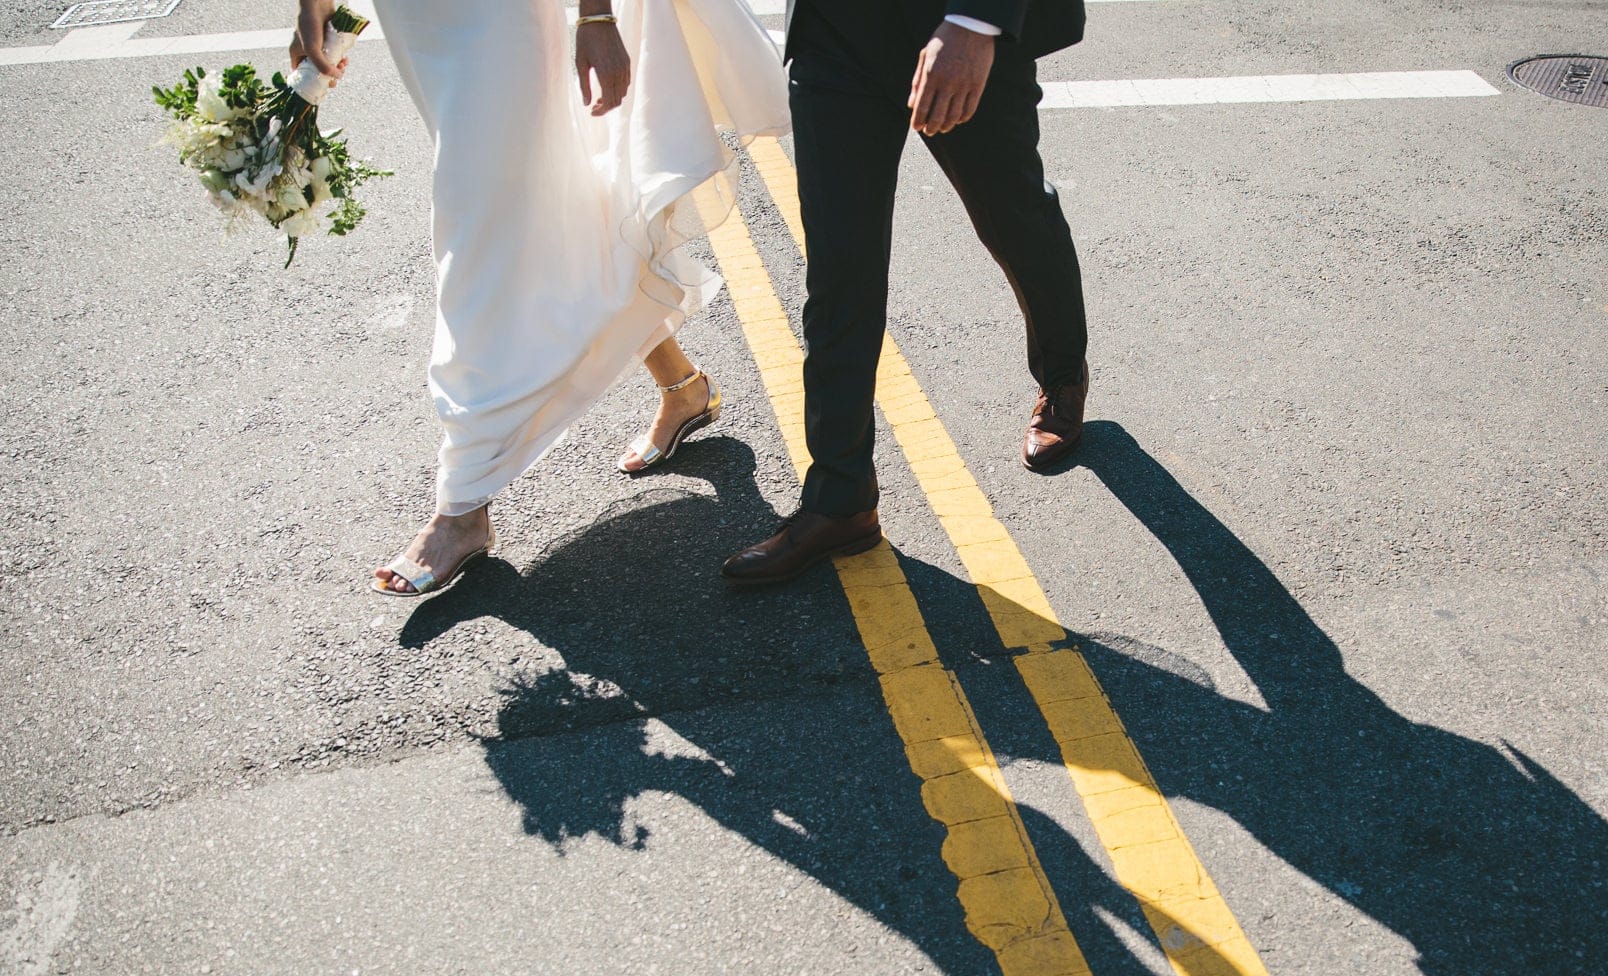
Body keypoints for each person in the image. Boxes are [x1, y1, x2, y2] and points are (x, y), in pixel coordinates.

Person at [286, 0, 789, 596]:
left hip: (501, 18)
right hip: (419, 21)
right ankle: (683, 386)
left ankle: (462, 505)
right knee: (556, 212)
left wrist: (597, 17)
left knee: (477, 232)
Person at [719, 0, 1090, 585]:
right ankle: (841, 501)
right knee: (839, 272)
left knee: (1015, 223)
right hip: (834, 34)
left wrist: (975, 21)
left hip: (951, 23)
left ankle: (1064, 375)